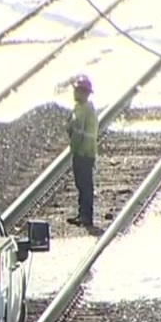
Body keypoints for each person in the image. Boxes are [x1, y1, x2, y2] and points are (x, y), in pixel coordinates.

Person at [66, 74, 99, 229]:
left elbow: (77, 133)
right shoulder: (85, 109)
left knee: (84, 185)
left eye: (77, 90)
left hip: (83, 153)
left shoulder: (83, 111)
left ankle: (85, 216)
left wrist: (74, 148)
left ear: (83, 92)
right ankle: (83, 214)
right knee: (83, 185)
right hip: (87, 153)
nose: (74, 93)